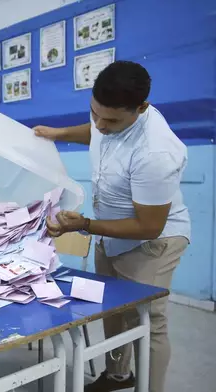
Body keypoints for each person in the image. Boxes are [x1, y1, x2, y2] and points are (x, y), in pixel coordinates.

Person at [35, 61, 190, 392]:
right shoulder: (108, 119)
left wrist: (87, 225)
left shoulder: (156, 152)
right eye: (95, 113)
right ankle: (118, 375)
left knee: (147, 320)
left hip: (154, 241)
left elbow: (149, 226)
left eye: (112, 120)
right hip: (112, 231)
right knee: (111, 309)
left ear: (141, 109)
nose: (101, 126)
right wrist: (58, 134)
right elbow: (95, 131)